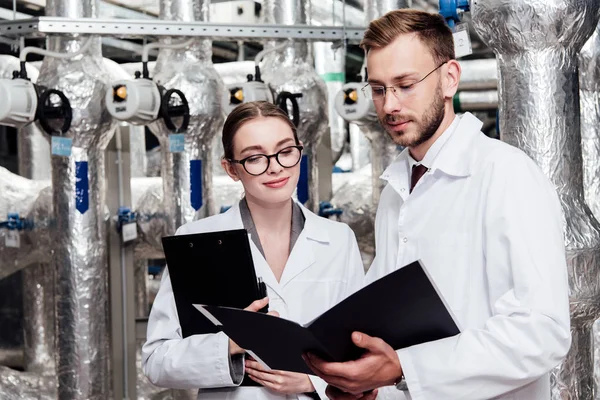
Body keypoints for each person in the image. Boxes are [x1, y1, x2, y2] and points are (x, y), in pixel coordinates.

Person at [304, 8, 571, 400]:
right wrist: (370, 385)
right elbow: (388, 326)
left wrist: (403, 368)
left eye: (405, 84)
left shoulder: (506, 175)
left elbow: (541, 332)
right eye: (378, 89)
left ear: (449, 79)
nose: (389, 105)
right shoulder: (398, 190)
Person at [142, 101, 365, 400]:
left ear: (300, 152)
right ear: (231, 169)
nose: (275, 167)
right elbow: (157, 362)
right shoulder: (196, 241)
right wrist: (231, 343)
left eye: (285, 151)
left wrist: (313, 382)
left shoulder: (338, 240)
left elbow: (360, 348)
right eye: (255, 157)